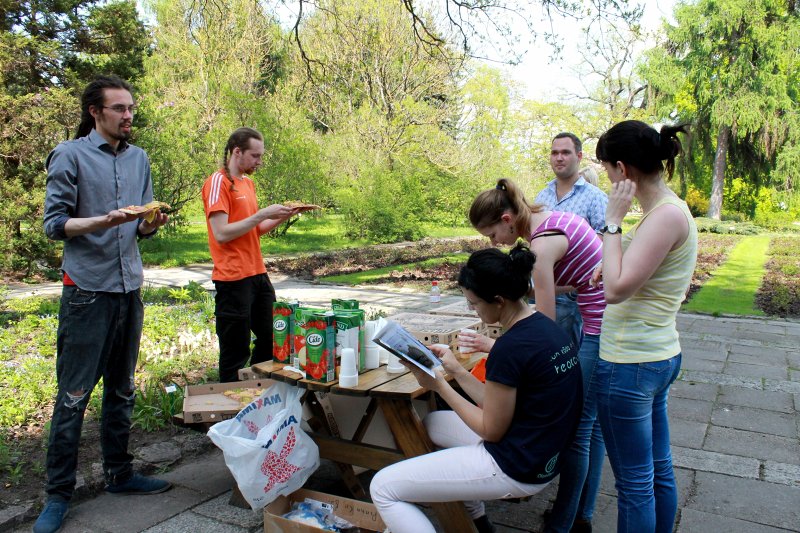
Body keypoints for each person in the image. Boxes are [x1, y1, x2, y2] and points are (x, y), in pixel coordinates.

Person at [37, 75, 172, 533]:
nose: (128, 115)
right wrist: (103, 220)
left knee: (121, 390)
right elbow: (54, 225)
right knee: (74, 396)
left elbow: (138, 230)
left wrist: (149, 224)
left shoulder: (139, 159)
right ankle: (57, 496)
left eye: (131, 108)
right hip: (87, 291)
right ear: (96, 112)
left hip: (128, 288)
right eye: (119, 109)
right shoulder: (69, 154)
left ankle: (120, 474)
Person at [370, 244, 582, 533]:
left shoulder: (510, 349)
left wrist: (440, 385)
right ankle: (478, 521)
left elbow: (490, 429)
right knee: (432, 424)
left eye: (474, 304)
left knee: (383, 487)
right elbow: (499, 404)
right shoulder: (545, 328)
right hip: (542, 454)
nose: (472, 310)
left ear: (498, 301)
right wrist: (456, 371)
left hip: (516, 466)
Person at [466, 178, 607, 533]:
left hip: (601, 330)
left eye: (491, 233)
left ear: (506, 218)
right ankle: (581, 516)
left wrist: (496, 347)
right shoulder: (547, 218)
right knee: (592, 428)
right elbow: (561, 281)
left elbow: (542, 334)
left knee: (578, 431)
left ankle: (563, 524)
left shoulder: (541, 246)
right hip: (612, 324)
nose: (493, 242)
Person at [592, 120, 696, 533]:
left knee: (636, 483)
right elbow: (626, 273)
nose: (609, 180)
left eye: (607, 171)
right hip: (653, 356)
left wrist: (613, 221)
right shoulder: (663, 212)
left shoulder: (663, 216)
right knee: (657, 469)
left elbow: (616, 290)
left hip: (630, 363)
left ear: (623, 170)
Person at [202, 127, 298, 382]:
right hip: (232, 279)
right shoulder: (218, 182)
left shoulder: (248, 183)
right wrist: (262, 214)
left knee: (274, 337)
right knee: (236, 348)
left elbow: (253, 231)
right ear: (237, 152)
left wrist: (283, 216)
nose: (259, 162)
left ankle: (254, 387)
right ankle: (229, 405)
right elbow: (221, 233)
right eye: (255, 156)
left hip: (257, 274)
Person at [535, 133, 608, 351]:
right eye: (554, 153)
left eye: (565, 152)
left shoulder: (596, 197)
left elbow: (604, 244)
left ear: (579, 156)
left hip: (574, 292)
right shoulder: (542, 197)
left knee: (567, 352)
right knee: (543, 348)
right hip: (543, 285)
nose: (559, 158)